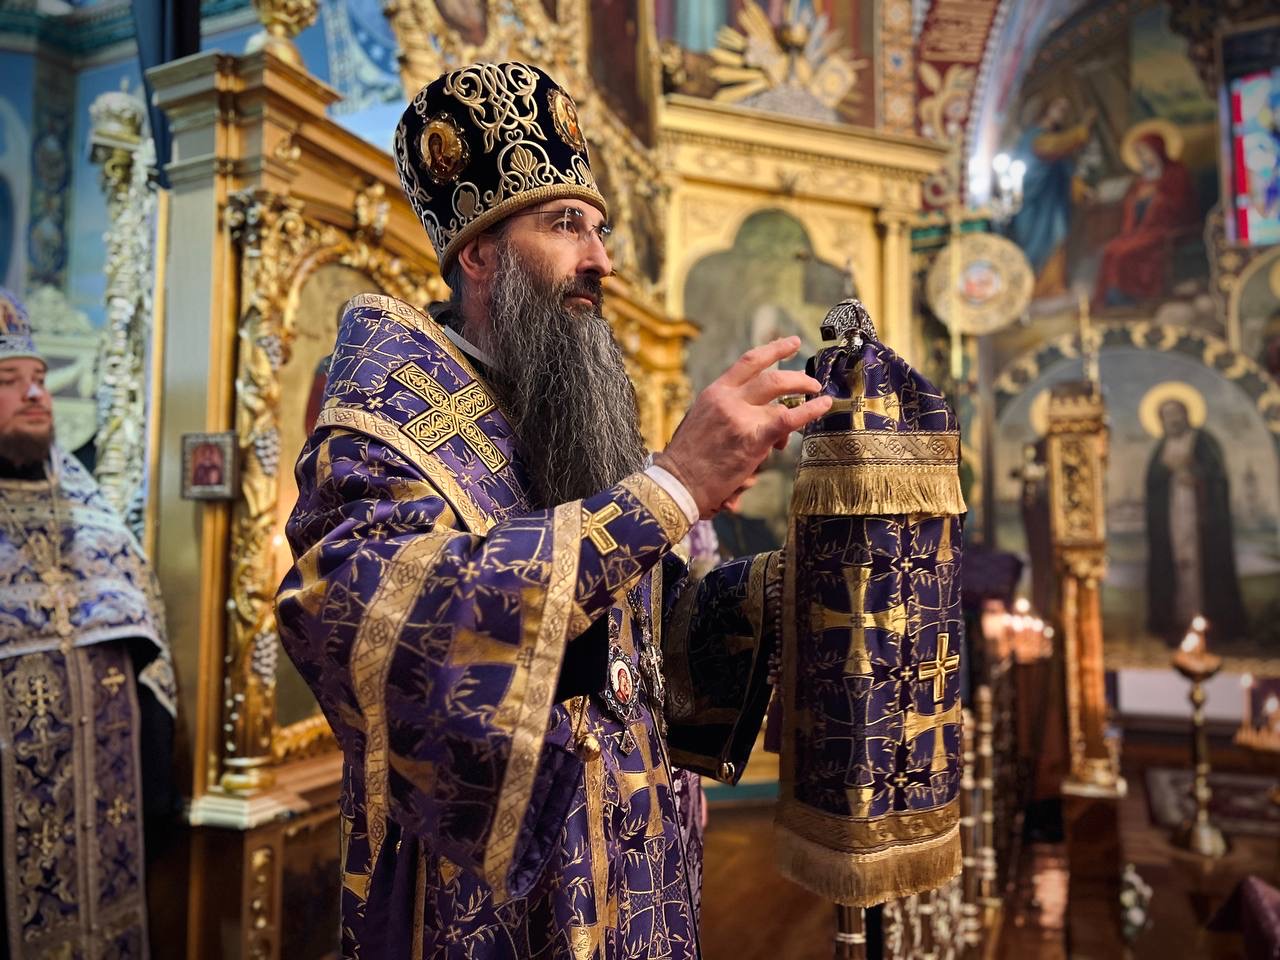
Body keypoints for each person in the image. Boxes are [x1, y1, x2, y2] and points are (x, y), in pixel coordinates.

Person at [275, 62, 831, 958]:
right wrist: (671, 487)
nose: (601, 260)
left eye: (599, 229)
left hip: (639, 870)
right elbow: (366, 623)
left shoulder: (563, 400)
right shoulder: (390, 416)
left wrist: (790, 582)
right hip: (493, 898)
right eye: (567, 225)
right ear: (480, 253)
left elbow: (632, 645)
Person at [0, 287, 175, 958]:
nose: (34, 394)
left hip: (105, 845)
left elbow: (151, 667)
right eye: (9, 381)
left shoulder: (94, 521)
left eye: (39, 378)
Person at [1145, 397, 1247, 642]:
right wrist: (1167, 472)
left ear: (1187, 415)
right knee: (1176, 566)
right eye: (1167, 416)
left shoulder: (1203, 441)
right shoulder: (1161, 447)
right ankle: (1176, 620)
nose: (1172, 420)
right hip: (1172, 519)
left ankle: (1212, 621)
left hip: (1201, 521)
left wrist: (1195, 476)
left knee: (1203, 567)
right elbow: (1152, 482)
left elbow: (1217, 476)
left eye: (1176, 414)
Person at [1093, 130, 1197, 308]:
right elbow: (1130, 206)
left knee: (1124, 253)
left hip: (1167, 228)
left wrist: (1157, 197)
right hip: (1142, 230)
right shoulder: (1142, 180)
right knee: (1110, 250)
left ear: (1157, 150)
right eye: (1139, 154)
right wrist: (1137, 200)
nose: (1142, 158)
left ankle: (1133, 295)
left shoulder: (1176, 172)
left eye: (1145, 153)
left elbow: (1180, 206)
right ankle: (1114, 297)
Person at [1005, 96, 1096, 299]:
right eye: (1058, 107)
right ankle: (1029, 288)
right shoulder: (1034, 137)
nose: (1061, 112)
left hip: (1053, 204)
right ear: (1045, 108)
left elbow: (1067, 171)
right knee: (1034, 244)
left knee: (1057, 237)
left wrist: (1081, 189)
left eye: (1065, 109)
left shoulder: (1052, 138)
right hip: (1032, 204)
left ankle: (1052, 286)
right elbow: (1053, 146)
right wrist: (1082, 129)